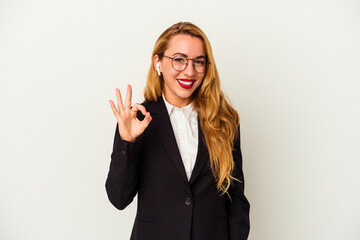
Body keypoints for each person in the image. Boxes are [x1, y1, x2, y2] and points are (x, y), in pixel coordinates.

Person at [106, 22, 250, 240]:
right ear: (158, 63)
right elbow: (119, 198)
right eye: (179, 60)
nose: (189, 71)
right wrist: (127, 142)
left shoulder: (224, 121)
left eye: (198, 62)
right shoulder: (137, 120)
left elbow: (236, 199)